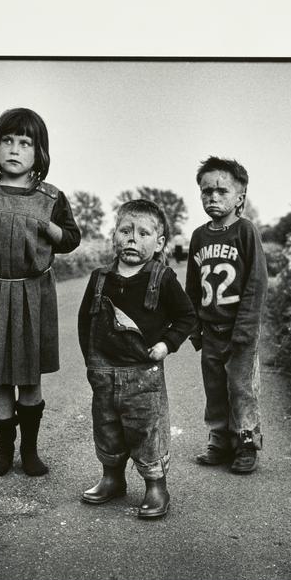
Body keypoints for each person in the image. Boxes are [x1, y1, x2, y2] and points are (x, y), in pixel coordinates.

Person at [0, 107, 81, 477]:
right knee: (0, 375)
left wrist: (45, 226)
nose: (15, 149)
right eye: (8, 140)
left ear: (39, 153)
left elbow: (71, 239)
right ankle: (3, 453)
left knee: (29, 374)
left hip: (34, 293)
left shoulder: (51, 198)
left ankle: (31, 452)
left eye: (25, 143)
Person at [77, 200, 196, 519]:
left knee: (147, 431)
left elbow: (187, 317)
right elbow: (85, 322)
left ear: (159, 244)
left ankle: (156, 486)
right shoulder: (100, 278)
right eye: (125, 230)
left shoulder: (162, 277)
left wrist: (166, 344)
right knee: (107, 428)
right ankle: (112, 478)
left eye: (144, 233)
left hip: (144, 375)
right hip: (104, 373)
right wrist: (91, 363)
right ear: (113, 236)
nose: (132, 238)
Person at [185, 156, 268, 474]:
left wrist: (245, 329)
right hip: (211, 328)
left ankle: (246, 441)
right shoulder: (199, 236)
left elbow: (256, 283)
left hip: (239, 328)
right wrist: (193, 326)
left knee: (240, 387)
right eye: (206, 191)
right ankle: (219, 440)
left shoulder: (246, 232)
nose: (213, 197)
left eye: (221, 191)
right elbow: (193, 285)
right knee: (215, 387)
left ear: (240, 198)